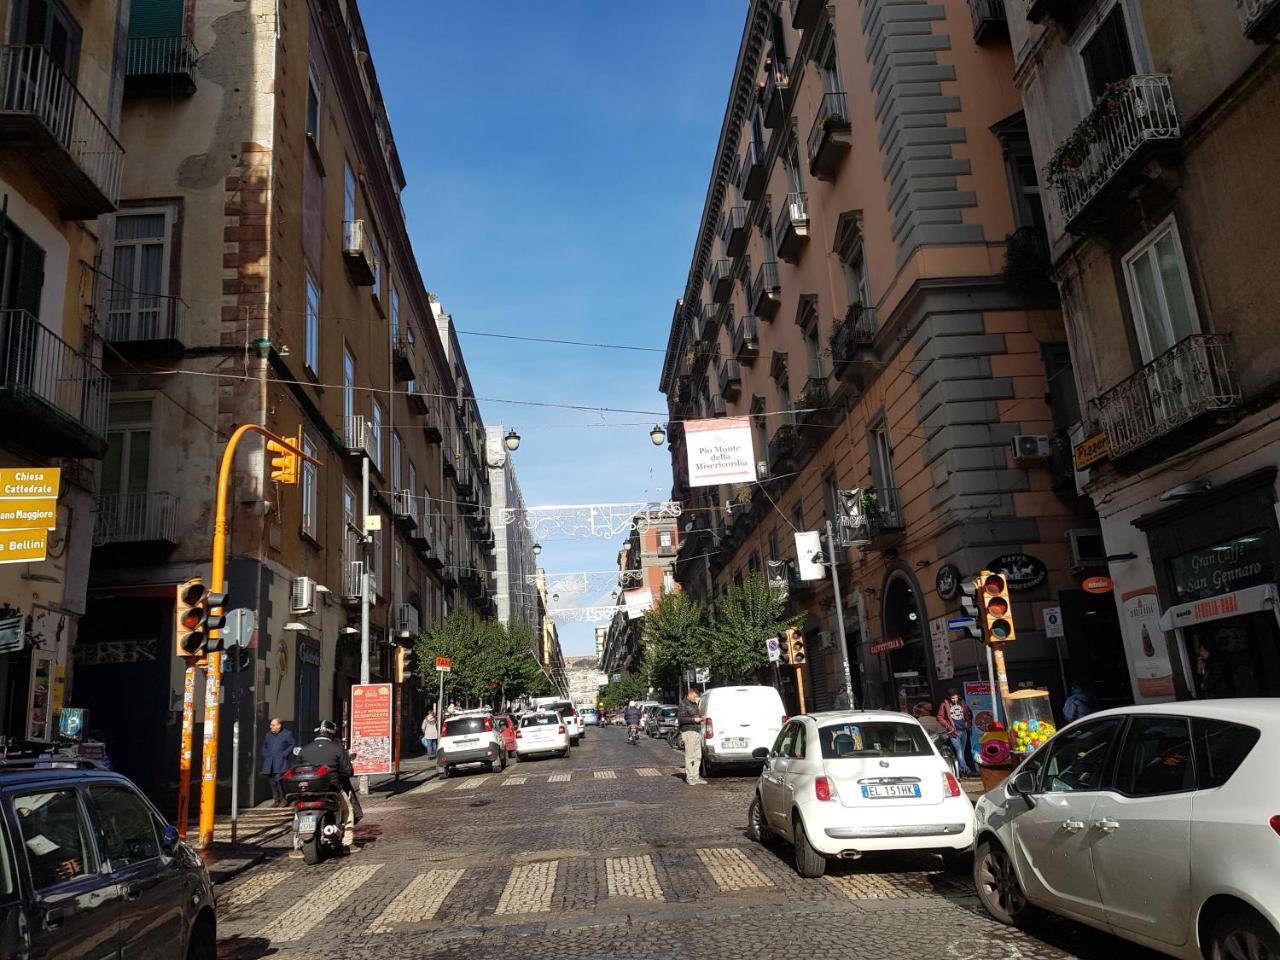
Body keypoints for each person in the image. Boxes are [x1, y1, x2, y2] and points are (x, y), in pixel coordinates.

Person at [297, 720, 362, 843]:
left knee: (299, 811)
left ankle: (297, 843)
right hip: (332, 788)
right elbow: (348, 771)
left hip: (307, 791)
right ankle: (347, 843)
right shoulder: (337, 749)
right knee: (348, 811)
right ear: (332, 733)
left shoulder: (305, 749)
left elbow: (295, 767)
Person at [937, 689, 975, 777]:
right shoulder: (945, 704)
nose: (955, 699)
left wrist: (967, 722)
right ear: (949, 698)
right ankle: (966, 769)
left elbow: (968, 712)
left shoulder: (961, 701)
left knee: (962, 751)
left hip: (963, 730)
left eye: (956, 697)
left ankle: (961, 770)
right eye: (953, 698)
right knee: (959, 750)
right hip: (954, 732)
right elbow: (940, 717)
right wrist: (949, 726)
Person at [261, 717, 298, 807]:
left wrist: (285, 753)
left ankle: (283, 799)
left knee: (279, 780)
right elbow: (264, 745)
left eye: (273, 725)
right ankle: (276, 799)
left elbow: (292, 744)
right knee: (272, 781)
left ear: (279, 726)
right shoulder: (268, 735)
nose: (271, 727)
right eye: (271, 725)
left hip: (281, 762)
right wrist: (265, 754)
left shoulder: (287, 734)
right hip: (270, 762)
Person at [678, 687, 706, 785]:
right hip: (689, 731)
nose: (695, 698)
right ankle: (690, 777)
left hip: (697, 731)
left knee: (698, 756)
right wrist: (694, 720)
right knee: (690, 756)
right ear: (690, 694)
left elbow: (695, 715)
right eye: (694, 696)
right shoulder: (683, 704)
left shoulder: (694, 704)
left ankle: (696, 776)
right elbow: (681, 719)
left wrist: (701, 718)